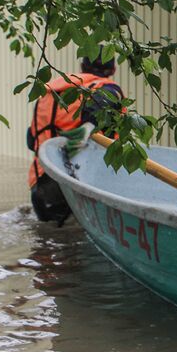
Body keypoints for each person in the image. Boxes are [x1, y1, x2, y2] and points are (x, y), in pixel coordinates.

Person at [27, 54, 124, 224]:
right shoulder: (107, 90)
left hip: (41, 182)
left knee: (46, 241)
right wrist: (90, 125)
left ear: (81, 66)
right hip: (75, 181)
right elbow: (102, 103)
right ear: (113, 70)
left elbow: (31, 140)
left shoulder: (49, 92)